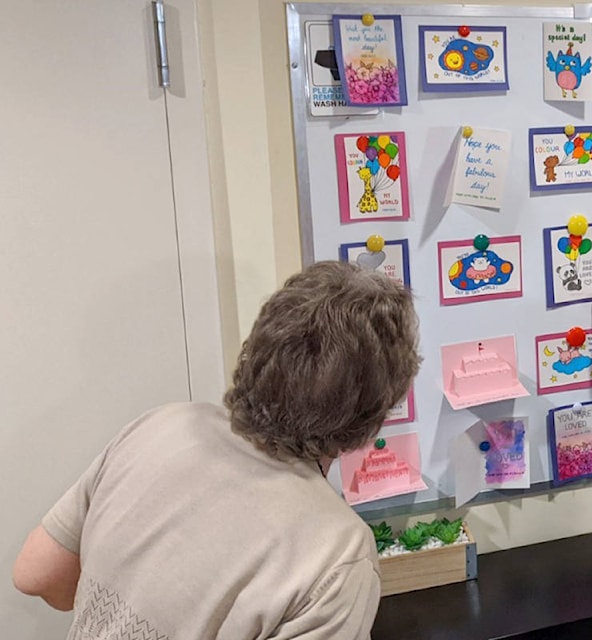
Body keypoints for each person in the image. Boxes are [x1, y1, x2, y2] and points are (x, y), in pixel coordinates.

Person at [13, 261, 421, 639]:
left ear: (257, 349)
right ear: (372, 417)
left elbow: (37, 575)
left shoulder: (163, 425)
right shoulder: (336, 554)